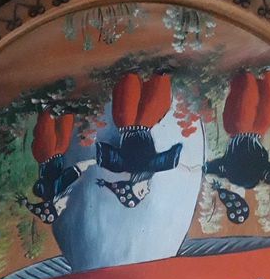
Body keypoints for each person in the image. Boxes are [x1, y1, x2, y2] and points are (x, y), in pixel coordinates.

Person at [96, 72, 182, 207]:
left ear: (132, 186)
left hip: (127, 123)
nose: (147, 191)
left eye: (141, 192)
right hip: (144, 124)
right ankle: (156, 73)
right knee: (158, 102)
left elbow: (106, 156)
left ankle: (134, 71)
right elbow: (171, 157)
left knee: (130, 90)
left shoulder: (128, 166)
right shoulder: (148, 166)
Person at [204, 70, 270, 188]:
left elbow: (224, 167)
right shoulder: (263, 159)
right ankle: (269, 76)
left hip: (237, 130)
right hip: (254, 133)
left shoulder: (245, 178)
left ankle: (246, 77)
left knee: (246, 103)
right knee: (267, 116)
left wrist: (208, 168)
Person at [17, 109, 90, 224]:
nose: (64, 207)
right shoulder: (51, 193)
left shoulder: (53, 193)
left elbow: (76, 170)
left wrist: (92, 161)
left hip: (47, 152)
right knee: (64, 116)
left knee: (48, 114)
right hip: (58, 151)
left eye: (59, 208)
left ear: (52, 204)